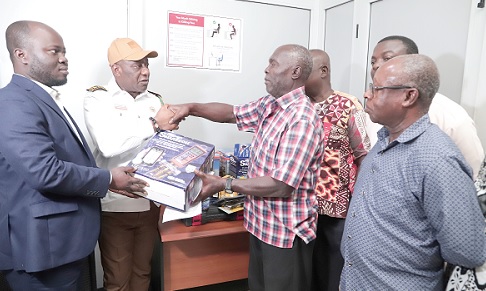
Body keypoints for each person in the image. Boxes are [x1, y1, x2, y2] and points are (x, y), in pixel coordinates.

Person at [0, 20, 148, 290]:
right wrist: (108, 179)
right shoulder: (13, 101)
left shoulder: (41, 97)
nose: (64, 58)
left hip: (61, 243)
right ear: (21, 55)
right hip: (41, 248)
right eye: (53, 51)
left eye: (64, 51)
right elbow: (45, 171)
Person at [169, 44, 325, 291]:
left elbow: (281, 185)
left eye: (273, 63)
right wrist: (192, 107)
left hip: (285, 235)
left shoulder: (301, 119)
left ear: (295, 71)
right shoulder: (271, 105)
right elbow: (232, 114)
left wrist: (224, 183)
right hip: (261, 226)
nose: (266, 69)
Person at [340, 54, 486, 290]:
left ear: (409, 96)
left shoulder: (437, 159)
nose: (366, 94)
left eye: (377, 89)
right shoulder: (384, 141)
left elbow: (466, 250)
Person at [84, 37, 177, 291]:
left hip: (149, 202)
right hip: (115, 206)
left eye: (146, 64)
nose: (145, 71)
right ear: (116, 69)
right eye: (136, 65)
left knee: (143, 274)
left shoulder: (154, 100)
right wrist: (154, 124)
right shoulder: (97, 99)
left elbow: (163, 149)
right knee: (117, 280)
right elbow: (108, 144)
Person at [368, 35, 484, 178]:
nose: (376, 65)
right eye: (373, 61)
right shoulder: (373, 110)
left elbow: (472, 170)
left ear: (414, 62)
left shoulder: (451, 115)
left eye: (387, 59)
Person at [304, 49, 370, 291]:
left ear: (323, 71)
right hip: (300, 205)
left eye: (304, 70)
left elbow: (364, 156)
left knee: (332, 271)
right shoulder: (299, 105)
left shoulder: (348, 105)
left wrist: (359, 205)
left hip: (336, 208)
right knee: (306, 271)